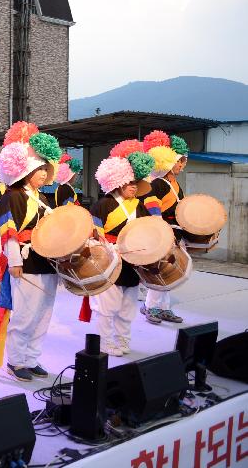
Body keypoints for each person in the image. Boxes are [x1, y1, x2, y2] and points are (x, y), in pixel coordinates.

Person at [0, 121, 62, 382]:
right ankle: (16, 361)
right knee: (25, 314)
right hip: (25, 262)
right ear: (26, 171)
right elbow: (7, 231)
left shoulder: (44, 199)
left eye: (45, 169)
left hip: (47, 262)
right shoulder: (12, 196)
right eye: (39, 169)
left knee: (43, 314)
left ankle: (32, 358)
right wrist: (13, 260)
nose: (44, 174)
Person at [88, 151, 159, 356]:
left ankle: (122, 339)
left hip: (133, 261)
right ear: (118, 183)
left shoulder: (140, 206)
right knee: (107, 306)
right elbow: (95, 233)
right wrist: (108, 250)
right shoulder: (103, 204)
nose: (134, 187)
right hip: (110, 260)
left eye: (136, 183)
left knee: (128, 306)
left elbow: (148, 230)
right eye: (130, 183)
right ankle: (105, 342)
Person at [140, 130, 191, 325]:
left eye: (182, 161)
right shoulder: (158, 183)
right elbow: (152, 206)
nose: (181, 165)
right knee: (160, 270)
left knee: (170, 271)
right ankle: (150, 306)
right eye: (179, 161)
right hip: (163, 232)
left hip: (175, 232)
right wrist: (161, 230)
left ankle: (163, 307)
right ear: (169, 161)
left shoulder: (175, 184)